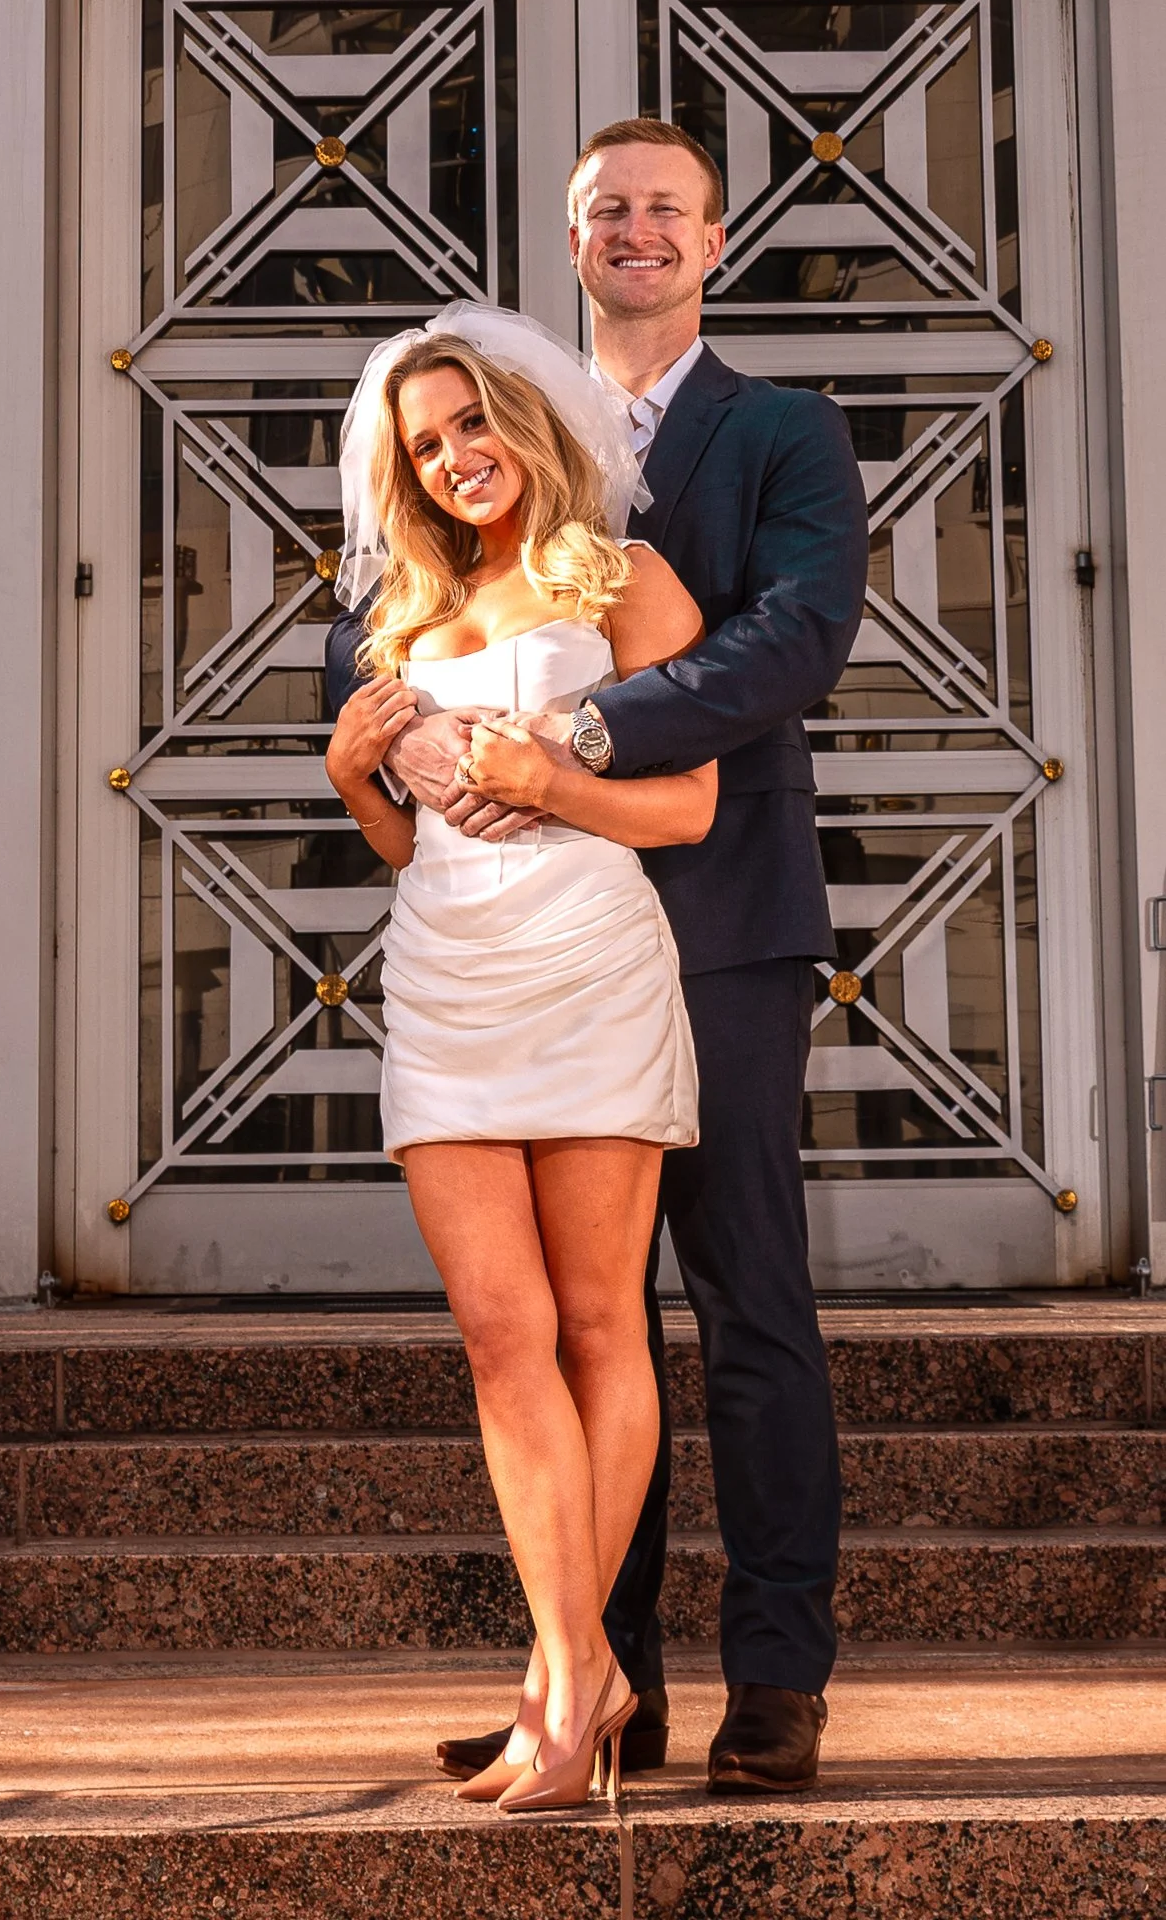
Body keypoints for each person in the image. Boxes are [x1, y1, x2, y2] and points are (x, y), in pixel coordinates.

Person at [330, 119, 869, 1794]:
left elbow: (794, 640)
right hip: (520, 944)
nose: (638, 231)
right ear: (572, 247)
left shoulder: (780, 431)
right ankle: (591, 1669)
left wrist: (566, 732)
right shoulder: (511, 425)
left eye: (668, 208)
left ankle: (775, 1676)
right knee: (572, 1318)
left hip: (718, 921)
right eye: (606, 210)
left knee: (749, 1301)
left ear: (715, 239)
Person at [323, 307, 719, 1811]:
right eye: (427, 445)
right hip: (445, 981)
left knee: (602, 1325)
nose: (456, 458)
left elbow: (686, 811)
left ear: (526, 423)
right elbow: (400, 844)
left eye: (472, 424)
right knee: (502, 1336)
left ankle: (561, 1697)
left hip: (588, 962)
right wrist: (356, 775)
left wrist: (549, 773)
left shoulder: (625, 582)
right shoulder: (408, 623)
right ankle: (580, 1669)